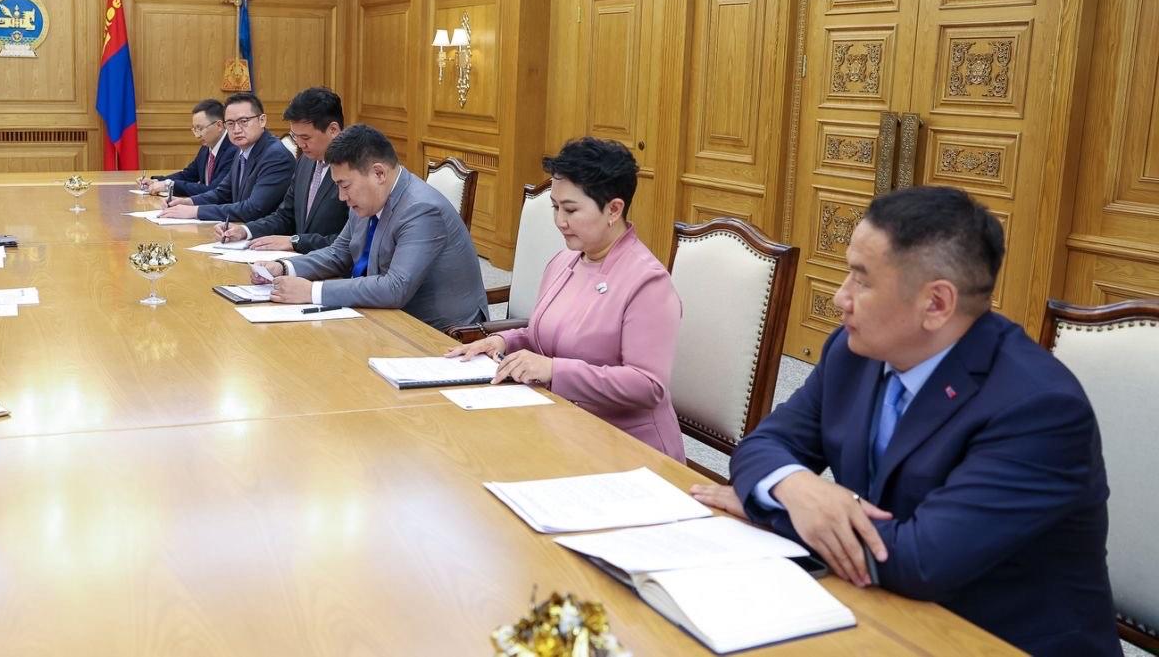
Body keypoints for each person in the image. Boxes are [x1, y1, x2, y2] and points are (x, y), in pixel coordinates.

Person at [690, 186, 1118, 656]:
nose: (839, 297)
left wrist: (774, 508)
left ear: (936, 304)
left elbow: (921, 560)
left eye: (862, 281)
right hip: (882, 612)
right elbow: (761, 445)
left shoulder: (1039, 409)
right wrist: (795, 486)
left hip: (990, 640)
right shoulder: (854, 354)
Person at [445, 138, 683, 459]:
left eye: (570, 210)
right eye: (555, 207)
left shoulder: (647, 282)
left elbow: (647, 385)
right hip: (562, 424)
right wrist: (503, 342)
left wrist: (555, 371)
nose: (559, 221)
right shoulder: (564, 261)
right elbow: (547, 336)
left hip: (626, 446)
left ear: (614, 209)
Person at [253, 124, 487, 331]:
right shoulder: (369, 200)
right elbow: (338, 253)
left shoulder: (421, 209)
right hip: (384, 318)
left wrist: (311, 291)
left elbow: (395, 288)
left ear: (379, 173)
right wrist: (284, 267)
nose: (341, 196)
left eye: (345, 185)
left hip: (438, 333)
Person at [214, 86, 348, 254]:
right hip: (297, 261)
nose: (300, 144)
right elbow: (285, 216)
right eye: (295, 136)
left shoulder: (353, 169)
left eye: (306, 137)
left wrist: (295, 242)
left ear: (333, 130)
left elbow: (350, 240)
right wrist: (245, 231)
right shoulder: (305, 161)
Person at [160, 92, 293, 223]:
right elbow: (222, 193)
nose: (236, 129)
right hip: (236, 229)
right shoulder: (241, 149)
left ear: (262, 120)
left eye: (244, 121)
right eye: (230, 123)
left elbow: (253, 209)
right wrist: (188, 202)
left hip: (264, 233)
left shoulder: (275, 156)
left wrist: (196, 211)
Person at [140, 99, 233, 198]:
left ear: (219, 125)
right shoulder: (206, 147)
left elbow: (214, 190)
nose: (197, 136)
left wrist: (169, 185)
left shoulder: (233, 150)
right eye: (195, 129)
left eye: (200, 128)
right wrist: (157, 181)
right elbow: (188, 175)